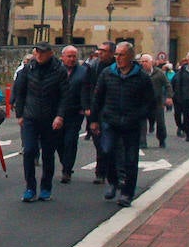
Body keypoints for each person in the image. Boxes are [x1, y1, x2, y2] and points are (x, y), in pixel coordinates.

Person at [90, 42, 156, 208]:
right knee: (107, 151)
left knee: (130, 159)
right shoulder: (107, 73)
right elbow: (98, 97)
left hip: (131, 123)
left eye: (121, 55)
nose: (118, 58)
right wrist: (94, 120)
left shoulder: (141, 77)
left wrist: (139, 116)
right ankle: (113, 181)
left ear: (130, 57)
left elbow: (149, 102)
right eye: (116, 55)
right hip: (110, 121)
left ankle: (127, 193)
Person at [11, 42, 69, 202]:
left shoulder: (59, 70)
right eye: (37, 52)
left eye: (42, 52)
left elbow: (65, 95)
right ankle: (30, 187)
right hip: (30, 116)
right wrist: (20, 114)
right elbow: (20, 91)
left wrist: (60, 116)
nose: (39, 55)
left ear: (50, 53)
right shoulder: (28, 69)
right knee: (29, 151)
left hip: (50, 118)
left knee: (48, 154)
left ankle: (46, 187)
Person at [81, 41, 115, 183]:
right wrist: (87, 106)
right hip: (96, 109)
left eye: (104, 51)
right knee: (99, 142)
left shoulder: (116, 67)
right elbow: (86, 87)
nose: (100, 53)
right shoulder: (93, 67)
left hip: (113, 110)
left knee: (111, 145)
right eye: (99, 50)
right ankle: (100, 172)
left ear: (112, 53)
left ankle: (109, 173)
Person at [57, 45, 88, 183]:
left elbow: (88, 90)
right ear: (62, 57)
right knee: (58, 141)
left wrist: (85, 107)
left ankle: (67, 170)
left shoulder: (83, 72)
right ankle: (65, 162)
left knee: (70, 140)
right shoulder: (56, 71)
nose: (71, 59)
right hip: (57, 112)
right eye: (69, 56)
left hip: (75, 112)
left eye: (74, 56)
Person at [139, 53, 172, 149]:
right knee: (142, 123)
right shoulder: (139, 73)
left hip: (157, 102)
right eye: (142, 62)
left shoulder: (159, 73)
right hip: (143, 102)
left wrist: (169, 97)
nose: (144, 63)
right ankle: (142, 142)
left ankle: (162, 140)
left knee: (160, 122)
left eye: (146, 61)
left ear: (151, 62)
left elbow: (167, 85)